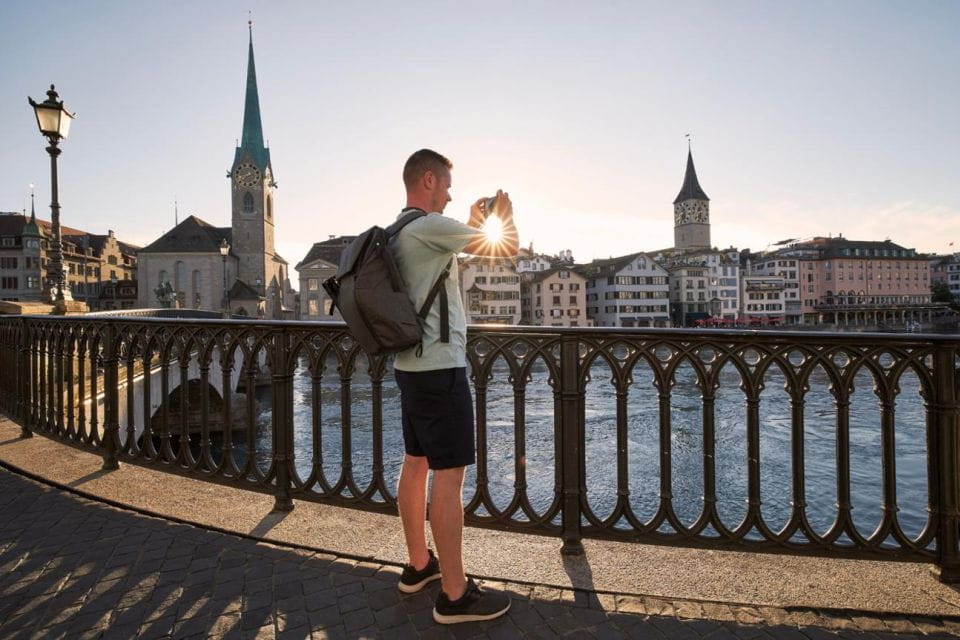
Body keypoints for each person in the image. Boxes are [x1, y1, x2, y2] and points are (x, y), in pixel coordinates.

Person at [391, 148, 519, 624]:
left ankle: (419, 565)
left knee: (415, 465)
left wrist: (468, 220)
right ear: (428, 180)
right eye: (446, 184)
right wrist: (503, 213)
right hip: (440, 370)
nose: (449, 192)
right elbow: (506, 249)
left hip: (408, 366)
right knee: (450, 478)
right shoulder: (429, 226)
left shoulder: (401, 229)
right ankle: (454, 595)